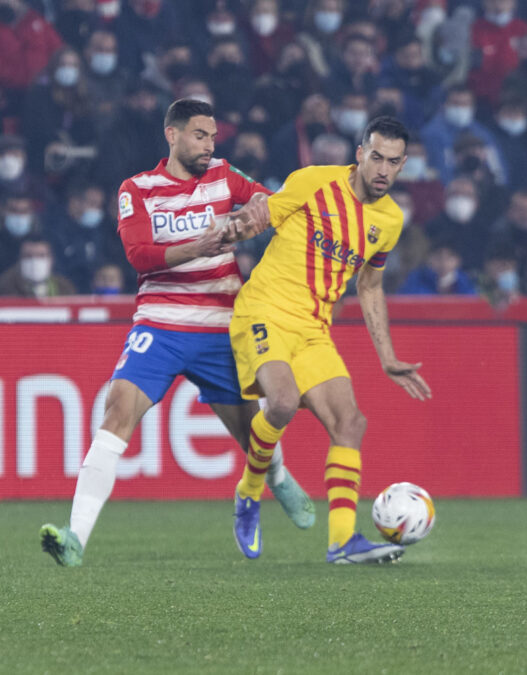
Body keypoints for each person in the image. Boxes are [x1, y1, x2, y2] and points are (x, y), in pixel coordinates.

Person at [39, 99, 314, 567]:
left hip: (223, 326)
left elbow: (270, 201)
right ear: (172, 135)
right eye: (200, 135)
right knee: (118, 408)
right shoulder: (138, 189)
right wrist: (198, 245)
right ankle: (75, 538)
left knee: (254, 438)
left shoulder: (226, 176)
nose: (209, 145)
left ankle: (281, 478)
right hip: (160, 324)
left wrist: (254, 217)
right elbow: (139, 255)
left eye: (212, 137)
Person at [227, 115, 431, 563]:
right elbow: (262, 216)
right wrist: (240, 223)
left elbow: (370, 286)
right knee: (280, 402)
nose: (382, 169)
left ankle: (341, 542)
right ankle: (249, 492)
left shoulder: (390, 221)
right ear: (359, 153)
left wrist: (388, 357)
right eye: (375, 157)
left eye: (393, 162)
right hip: (264, 312)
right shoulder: (313, 182)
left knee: (350, 423)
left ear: (403, 166)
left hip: (314, 329)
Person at [0, 235, 76, 297]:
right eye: (28, 256)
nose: (35, 261)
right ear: (20, 259)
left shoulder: (65, 287)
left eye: (41, 256)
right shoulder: (4, 287)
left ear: (51, 260)